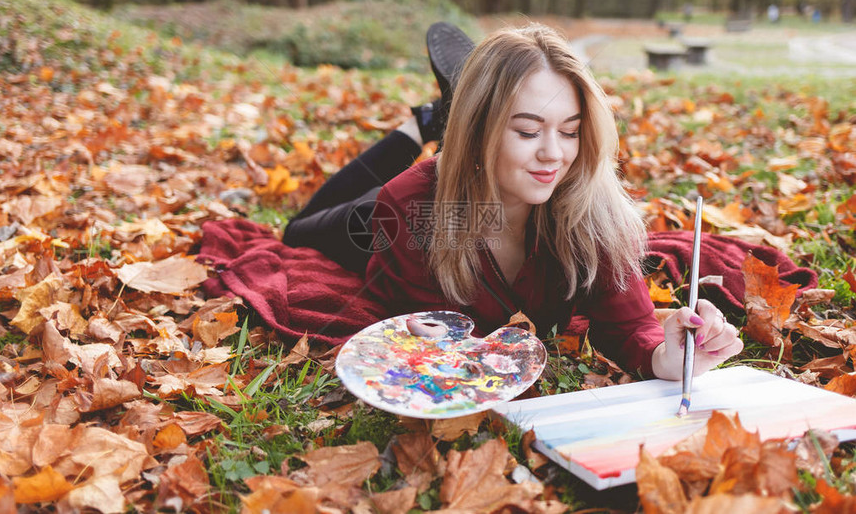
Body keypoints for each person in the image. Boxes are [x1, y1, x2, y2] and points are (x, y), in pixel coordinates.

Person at [284, 22, 743, 379]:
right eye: (527, 131)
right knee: (297, 230)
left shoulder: (590, 204)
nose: (553, 154)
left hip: (475, 169)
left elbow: (632, 328)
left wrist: (670, 357)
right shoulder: (404, 205)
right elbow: (417, 337)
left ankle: (449, 111)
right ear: (481, 130)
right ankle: (425, 124)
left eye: (570, 130)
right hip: (405, 212)